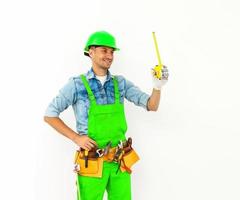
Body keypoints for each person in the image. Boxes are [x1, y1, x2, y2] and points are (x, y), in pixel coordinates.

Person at [44, 30, 169, 200]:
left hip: (120, 162)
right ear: (91, 51)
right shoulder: (77, 84)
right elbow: (50, 114)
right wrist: (76, 138)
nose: (109, 55)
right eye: (104, 50)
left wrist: (157, 86)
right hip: (92, 163)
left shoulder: (121, 83)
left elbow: (151, 105)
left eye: (112, 52)